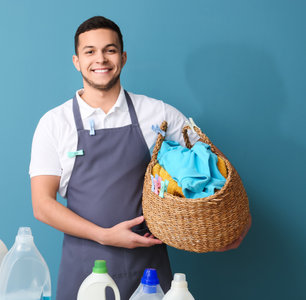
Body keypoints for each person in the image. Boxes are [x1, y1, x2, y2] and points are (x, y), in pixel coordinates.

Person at [29, 16, 250, 300]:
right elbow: (42, 205)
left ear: (122, 57)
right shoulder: (55, 123)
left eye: (109, 50)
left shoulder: (159, 115)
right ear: (76, 60)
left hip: (149, 271)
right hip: (84, 272)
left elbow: (213, 169)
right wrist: (104, 235)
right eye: (90, 51)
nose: (101, 59)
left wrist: (230, 221)